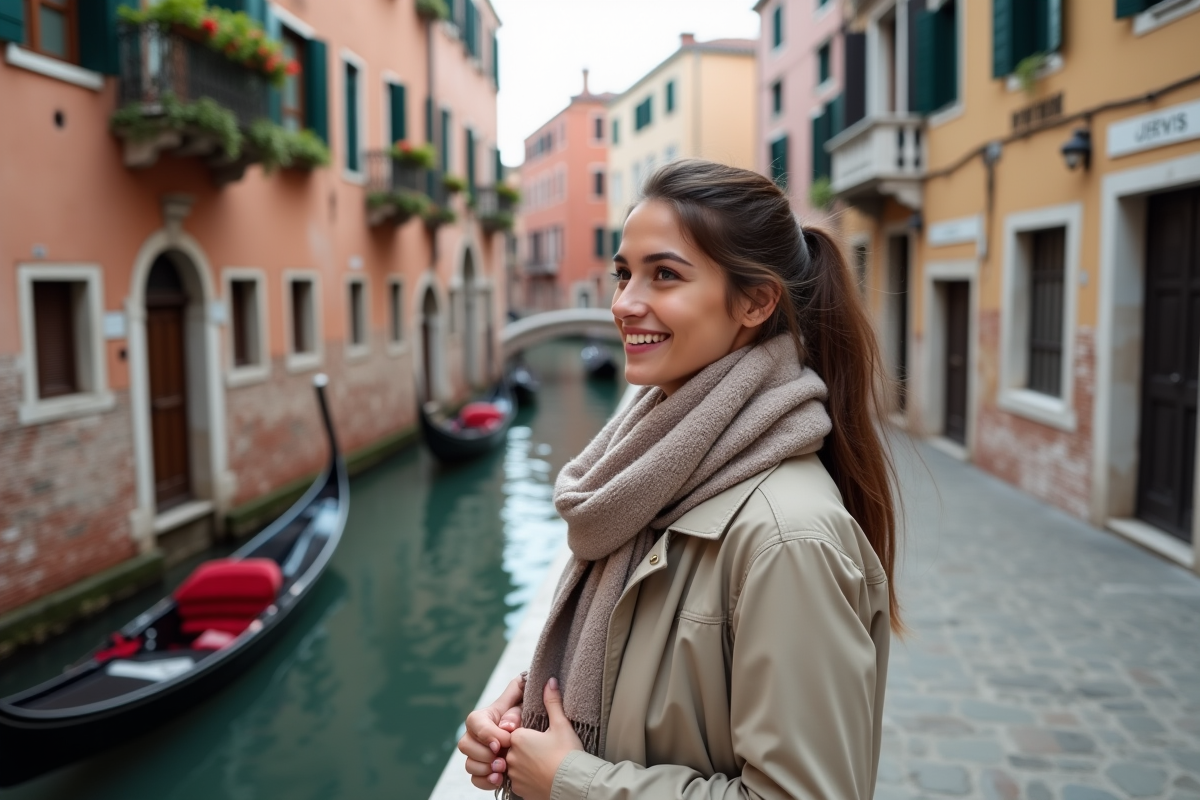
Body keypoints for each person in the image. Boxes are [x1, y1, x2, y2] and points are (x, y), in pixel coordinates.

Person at [458, 159, 900, 800]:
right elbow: (654, 684)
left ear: (755, 302)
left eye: (664, 275)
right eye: (623, 274)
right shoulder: (645, 480)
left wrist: (569, 781)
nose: (624, 303)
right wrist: (528, 717)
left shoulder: (790, 539)